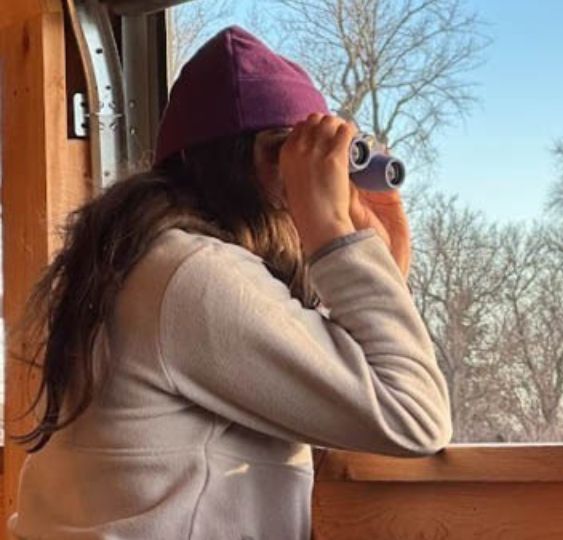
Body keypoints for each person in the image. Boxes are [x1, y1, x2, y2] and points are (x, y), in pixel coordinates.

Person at [7, 25, 452, 539]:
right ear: (239, 166)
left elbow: (335, 396)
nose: (311, 183)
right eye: (290, 156)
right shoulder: (191, 275)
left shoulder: (143, 263)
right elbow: (413, 414)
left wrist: (381, 266)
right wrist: (333, 235)